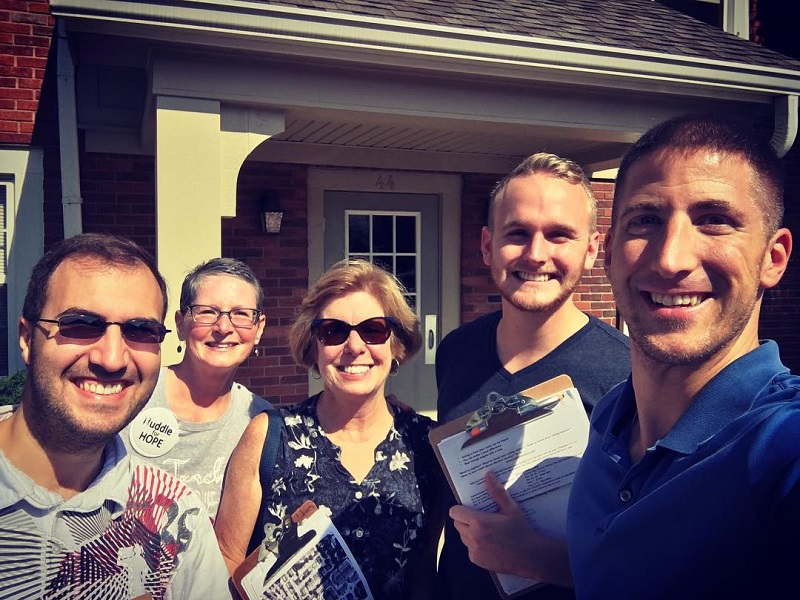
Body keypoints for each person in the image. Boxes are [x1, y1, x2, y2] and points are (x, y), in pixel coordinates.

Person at [453, 114, 800, 598]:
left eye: (714, 220)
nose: (670, 258)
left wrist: (534, 559)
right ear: (614, 252)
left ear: (774, 257)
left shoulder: (780, 451)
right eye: (646, 221)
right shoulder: (613, 419)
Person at [438, 152, 631, 600]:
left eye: (559, 235)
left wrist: (536, 560)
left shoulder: (628, 375)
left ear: (592, 247)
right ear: (487, 245)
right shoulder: (456, 352)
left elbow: (649, 554)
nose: (536, 254)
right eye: (518, 233)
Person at [0, 233, 231, 598]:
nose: (111, 359)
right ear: (28, 339)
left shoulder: (176, 518)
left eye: (140, 330)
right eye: (80, 324)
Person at [215, 258, 444, 600]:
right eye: (333, 331)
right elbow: (226, 560)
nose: (354, 346)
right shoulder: (268, 437)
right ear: (314, 347)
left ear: (395, 345)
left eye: (374, 329)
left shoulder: (426, 444)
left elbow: (424, 570)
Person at [122, 257, 270, 519]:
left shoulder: (261, 421)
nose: (223, 327)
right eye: (207, 311)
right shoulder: (135, 393)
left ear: (258, 329)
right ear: (180, 324)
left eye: (240, 314)